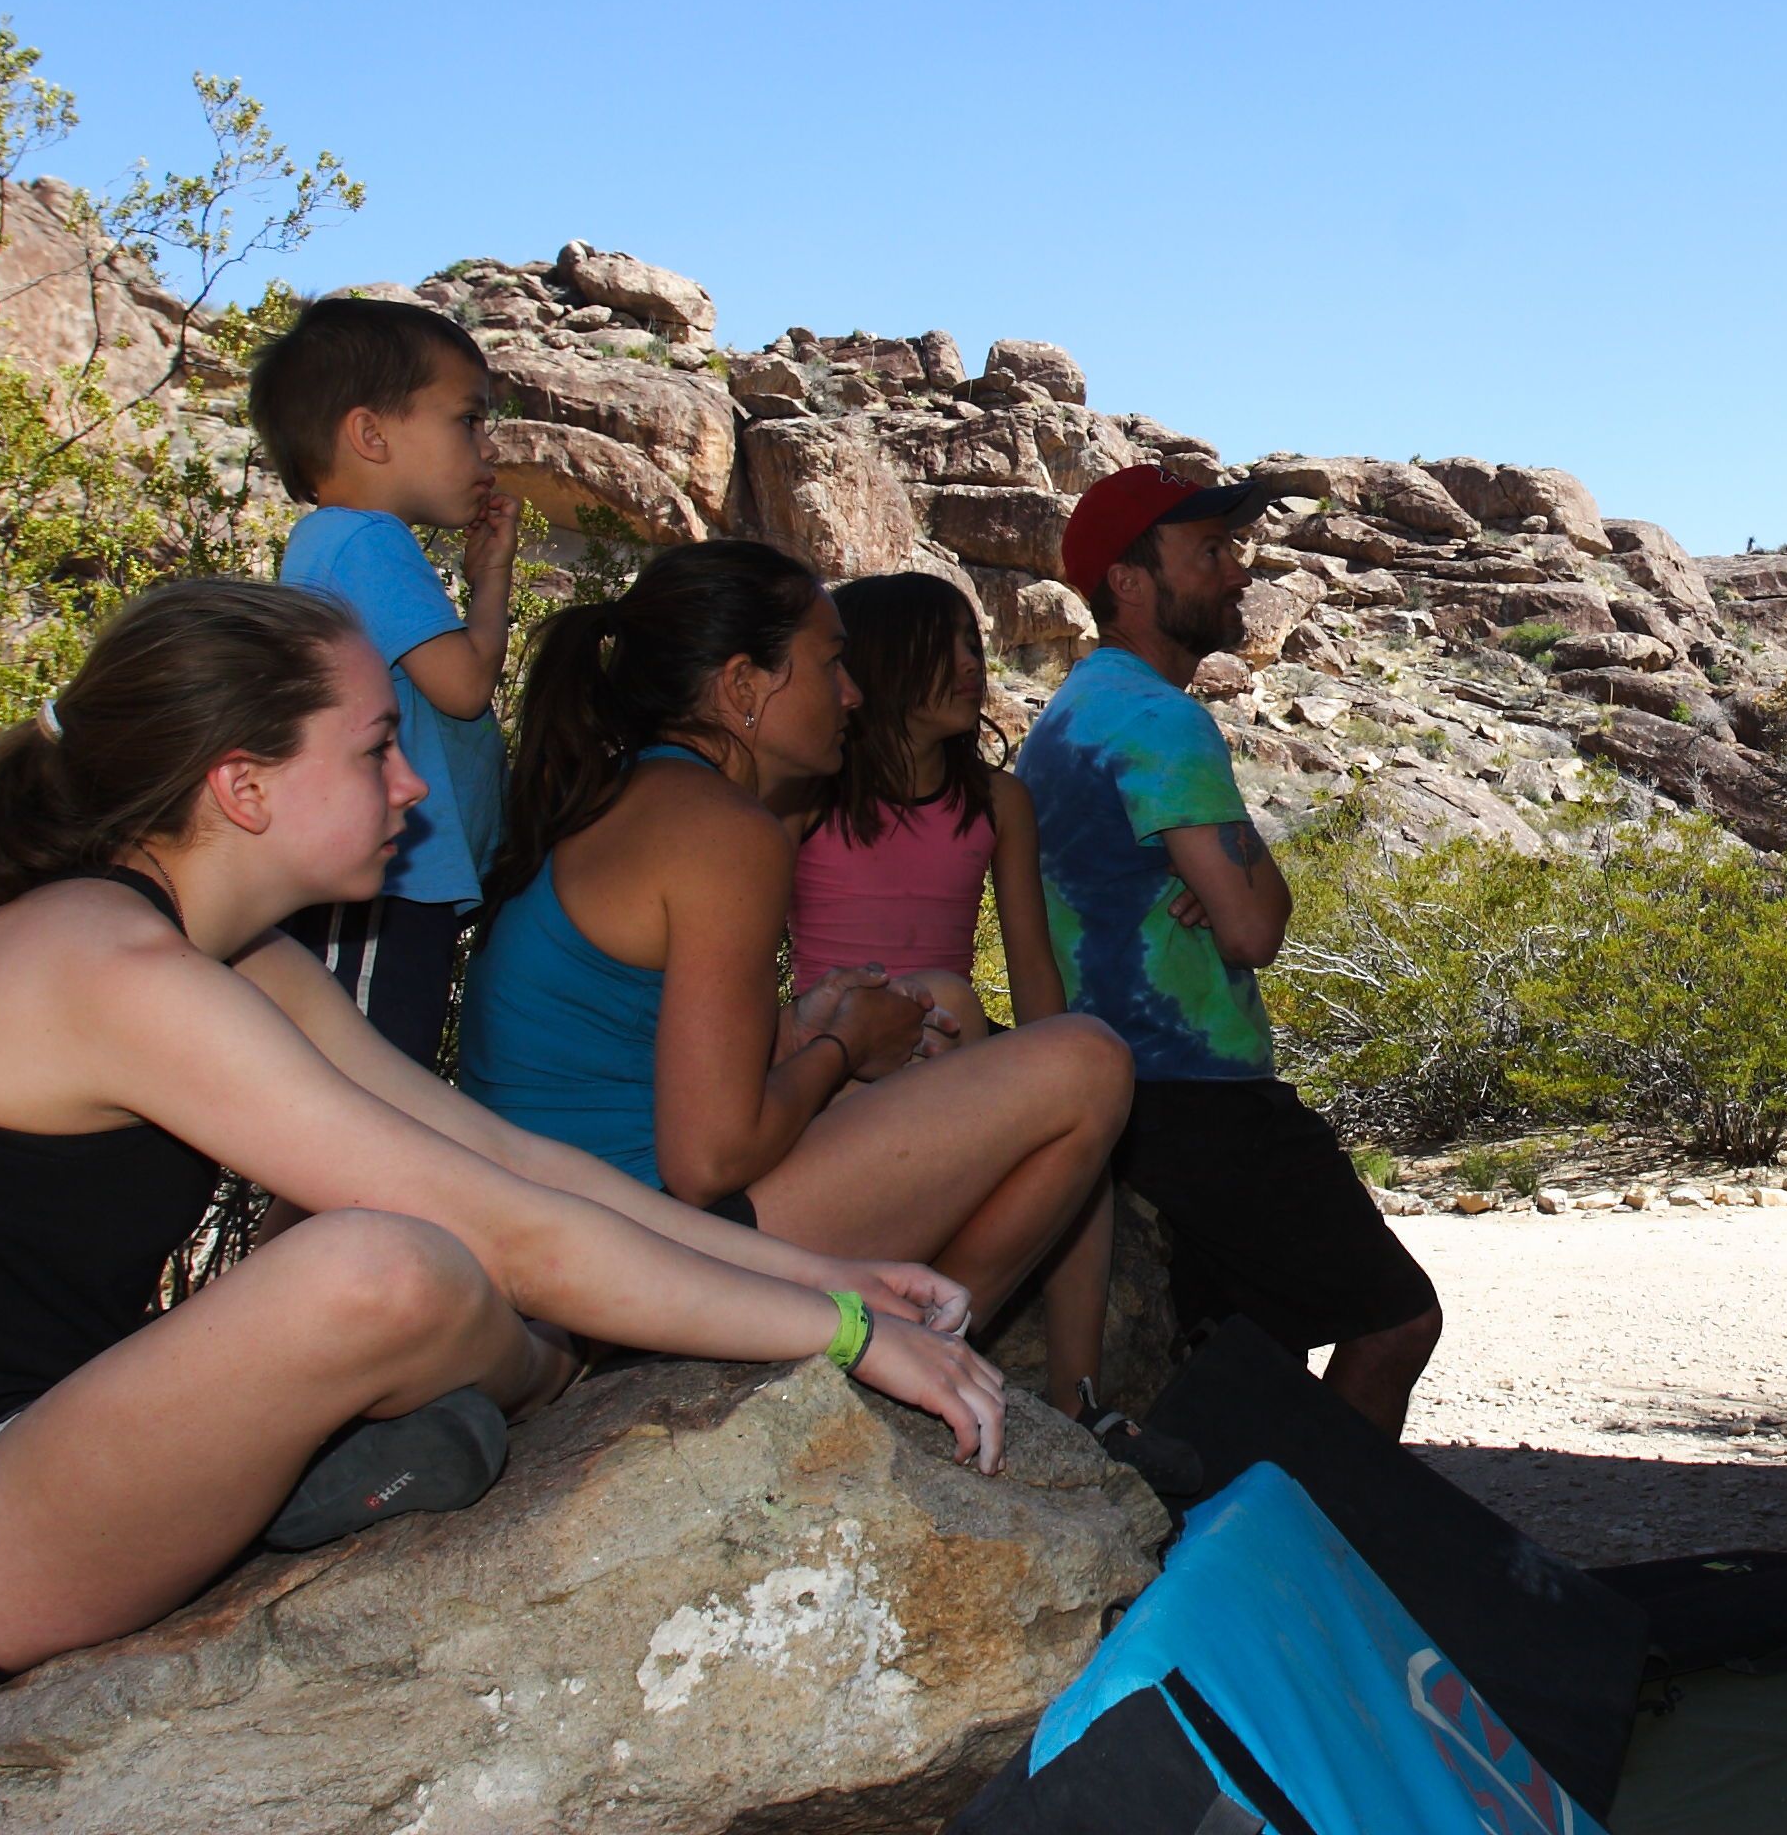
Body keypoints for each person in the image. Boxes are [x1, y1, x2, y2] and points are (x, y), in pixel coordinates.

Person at [0, 582, 1008, 1707]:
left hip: (38, 1437)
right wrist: (845, 1339)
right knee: (384, 1269)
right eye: (374, 746)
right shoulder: (104, 964)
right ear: (242, 785)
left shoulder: (236, 958)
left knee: (415, 1253)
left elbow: (506, 1158)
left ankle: (423, 1407)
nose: (414, 782)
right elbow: (506, 1228)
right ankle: (520, 1374)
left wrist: (821, 1276)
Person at [458, 539, 1135, 1413]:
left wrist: (806, 1025)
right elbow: (709, 1161)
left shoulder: (636, 794)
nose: (852, 693)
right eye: (829, 663)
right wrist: (842, 1044)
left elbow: (630, 1049)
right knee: (1086, 1063)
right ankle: (919, 1366)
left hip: (574, 1237)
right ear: (743, 688)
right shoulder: (721, 831)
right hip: (636, 1255)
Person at [1018, 466, 1441, 1438]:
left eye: (1234, 545)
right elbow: (1254, 926)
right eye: (1208, 549)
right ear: (1126, 580)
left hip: (1121, 1093)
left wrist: (1243, 877)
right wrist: (1253, 878)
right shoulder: (1160, 719)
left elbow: (1241, 901)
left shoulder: (1076, 709)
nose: (1237, 569)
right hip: (1200, 1096)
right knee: (1395, 1318)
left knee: (1233, 1374)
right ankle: (1323, 1555)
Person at [788, 571, 1192, 1491]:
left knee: (1076, 1130)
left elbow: (1033, 967)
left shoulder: (995, 802)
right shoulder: (812, 795)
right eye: (953, 647)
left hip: (948, 1048)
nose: (976, 666)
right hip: (838, 1059)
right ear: (891, 663)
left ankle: (1083, 1398)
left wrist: (1069, 1088)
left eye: (977, 645)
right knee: (944, 999)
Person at [245, 294, 517, 1067]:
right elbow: (462, 687)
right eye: (468, 420)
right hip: (383, 883)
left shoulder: (348, 541)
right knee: (367, 1096)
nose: (487, 449)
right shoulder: (365, 540)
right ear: (368, 433)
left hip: (401, 883)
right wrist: (491, 583)